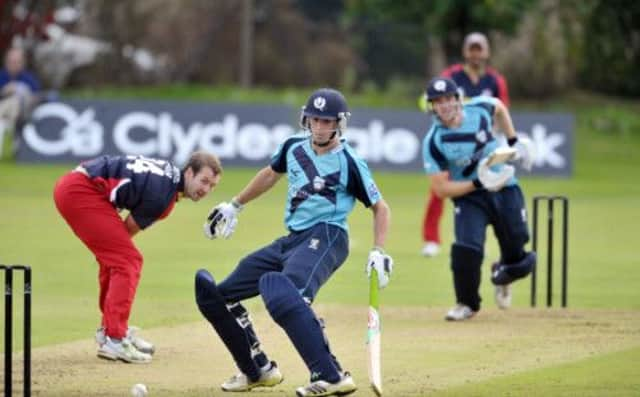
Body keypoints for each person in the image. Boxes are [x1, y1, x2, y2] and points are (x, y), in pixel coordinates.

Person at [195, 88, 392, 396]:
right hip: (292, 239)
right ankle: (256, 368)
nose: (319, 127)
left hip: (328, 235)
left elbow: (380, 207)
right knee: (220, 296)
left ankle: (331, 375)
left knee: (284, 292)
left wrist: (379, 251)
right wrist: (235, 204)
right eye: (314, 119)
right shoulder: (293, 147)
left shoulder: (350, 161)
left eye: (326, 121)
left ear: (339, 124)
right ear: (306, 118)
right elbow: (270, 175)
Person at [53, 152, 223, 363]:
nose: (205, 190)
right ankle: (115, 339)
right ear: (189, 172)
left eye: (212, 186)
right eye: (204, 181)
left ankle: (112, 331)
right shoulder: (163, 196)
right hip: (81, 191)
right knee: (127, 261)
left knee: (119, 259)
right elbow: (127, 231)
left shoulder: (168, 181)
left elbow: (121, 238)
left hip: (78, 186)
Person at [421, 77, 536, 321]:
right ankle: (466, 303)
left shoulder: (480, 108)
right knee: (466, 249)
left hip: (504, 184)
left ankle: (503, 274)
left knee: (519, 251)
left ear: (458, 99)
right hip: (470, 196)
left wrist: (514, 140)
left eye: (449, 99)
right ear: (432, 107)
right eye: (438, 102)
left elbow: (500, 108)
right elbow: (441, 189)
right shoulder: (434, 140)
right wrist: (478, 182)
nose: (445, 105)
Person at [422, 32, 510, 257]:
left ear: (487, 52)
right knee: (440, 188)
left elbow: (502, 109)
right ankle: (431, 239)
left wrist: (499, 138)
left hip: (484, 142)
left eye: (479, 49)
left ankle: (501, 244)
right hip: (453, 139)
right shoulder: (452, 77)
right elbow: (428, 100)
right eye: (472, 49)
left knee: (498, 186)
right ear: (465, 52)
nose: (476, 54)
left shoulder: (495, 80)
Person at [0, 47, 41, 156]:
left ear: (22, 63)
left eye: (17, 62)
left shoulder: (29, 78)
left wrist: (23, 92)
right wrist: (4, 91)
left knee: (16, 100)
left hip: (22, 115)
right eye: (11, 62)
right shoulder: (1, 76)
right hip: (5, 115)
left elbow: (37, 96)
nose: (14, 65)